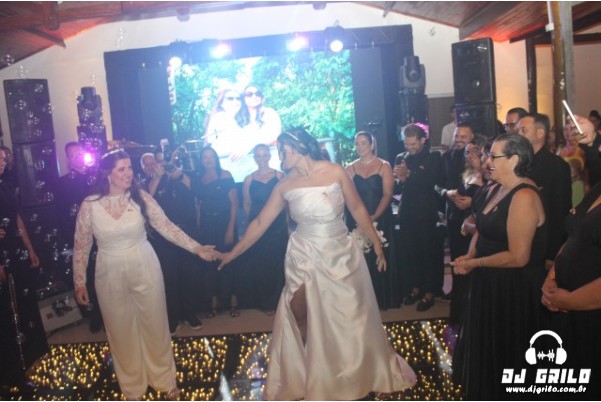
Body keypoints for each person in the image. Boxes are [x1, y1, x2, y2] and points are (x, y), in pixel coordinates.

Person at [217, 130, 416, 400]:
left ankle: (354, 370)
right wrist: (232, 254)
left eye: (283, 150)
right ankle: (311, 366)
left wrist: (377, 244)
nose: (280, 156)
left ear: (299, 148)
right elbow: (260, 222)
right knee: (297, 307)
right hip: (303, 252)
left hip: (338, 251)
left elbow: (357, 209)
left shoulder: (335, 172)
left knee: (347, 315)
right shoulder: (284, 185)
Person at [72, 149, 216, 400]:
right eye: (122, 169)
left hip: (144, 265)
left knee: (155, 325)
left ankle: (165, 381)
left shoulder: (141, 198)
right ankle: (133, 389)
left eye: (129, 167)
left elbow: (167, 227)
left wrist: (196, 248)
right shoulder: (90, 205)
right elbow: (81, 245)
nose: (129, 173)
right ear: (107, 174)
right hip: (108, 271)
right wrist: (79, 281)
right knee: (120, 331)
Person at [451, 134, 547, 399]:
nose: (487, 161)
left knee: (507, 351)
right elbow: (481, 228)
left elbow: (518, 256)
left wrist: (475, 263)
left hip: (512, 287)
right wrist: (469, 256)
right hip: (488, 280)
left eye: (494, 156)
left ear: (514, 159)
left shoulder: (524, 195)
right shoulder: (496, 188)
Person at [541, 182, 601, 398]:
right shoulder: (597, 189)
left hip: (591, 317)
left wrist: (570, 301)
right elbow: (573, 238)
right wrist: (552, 278)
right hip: (568, 311)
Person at [0, 147, 48, 392]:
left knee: (20, 308)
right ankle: (8, 373)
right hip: (2, 256)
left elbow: (17, 219)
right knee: (5, 314)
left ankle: (22, 364)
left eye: (3, 158)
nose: (1, 162)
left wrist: (30, 248)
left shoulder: (5, 185)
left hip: (15, 252)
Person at [140, 153, 203, 334]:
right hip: (164, 238)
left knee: (189, 275)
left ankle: (190, 314)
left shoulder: (179, 175)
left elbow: (196, 191)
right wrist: (158, 177)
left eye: (155, 162)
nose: (152, 166)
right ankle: (173, 318)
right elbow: (147, 200)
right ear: (143, 168)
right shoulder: (145, 184)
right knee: (169, 278)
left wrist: (179, 174)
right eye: (148, 164)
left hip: (187, 232)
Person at [345, 131, 400, 309]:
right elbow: (348, 196)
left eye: (363, 143)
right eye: (357, 143)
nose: (359, 147)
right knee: (359, 257)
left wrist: (375, 216)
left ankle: (383, 298)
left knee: (381, 253)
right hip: (356, 219)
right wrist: (361, 219)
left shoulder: (384, 166)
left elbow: (387, 194)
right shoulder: (350, 168)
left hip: (380, 217)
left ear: (372, 144)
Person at [394, 124, 444, 312]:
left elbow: (431, 182)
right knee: (410, 251)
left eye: (413, 144)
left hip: (426, 211)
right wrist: (400, 180)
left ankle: (429, 292)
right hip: (406, 210)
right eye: (406, 144)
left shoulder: (434, 157)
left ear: (423, 140)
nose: (409, 148)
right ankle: (414, 288)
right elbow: (398, 187)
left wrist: (409, 176)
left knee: (428, 252)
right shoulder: (401, 158)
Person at [56, 141, 104, 332]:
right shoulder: (63, 183)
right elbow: (62, 214)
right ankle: (94, 315)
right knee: (88, 275)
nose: (77, 157)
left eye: (79, 153)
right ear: (68, 159)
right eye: (73, 155)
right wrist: (68, 239)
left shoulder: (97, 177)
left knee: (103, 273)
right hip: (79, 234)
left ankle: (108, 313)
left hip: (100, 232)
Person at [517, 113, 571, 271]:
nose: (518, 134)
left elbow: (560, 211)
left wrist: (553, 252)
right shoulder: (518, 163)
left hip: (542, 246)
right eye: (518, 130)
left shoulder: (556, 166)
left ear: (540, 133)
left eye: (523, 130)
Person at [238, 144, 287, 313]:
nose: (262, 159)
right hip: (258, 226)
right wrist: (249, 226)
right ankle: (265, 302)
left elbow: (286, 203)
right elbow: (246, 204)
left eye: (265, 155)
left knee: (278, 262)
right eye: (258, 156)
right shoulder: (249, 179)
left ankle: (279, 301)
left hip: (277, 226)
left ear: (269, 156)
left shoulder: (280, 176)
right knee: (261, 263)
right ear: (254, 158)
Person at [192, 146, 240, 318]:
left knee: (228, 261)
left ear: (216, 158)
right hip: (207, 225)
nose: (208, 160)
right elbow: (198, 205)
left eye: (211, 156)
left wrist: (230, 229)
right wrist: (199, 227)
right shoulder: (199, 179)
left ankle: (233, 302)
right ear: (201, 160)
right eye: (205, 157)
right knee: (210, 263)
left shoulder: (225, 175)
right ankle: (214, 304)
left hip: (224, 223)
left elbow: (234, 204)